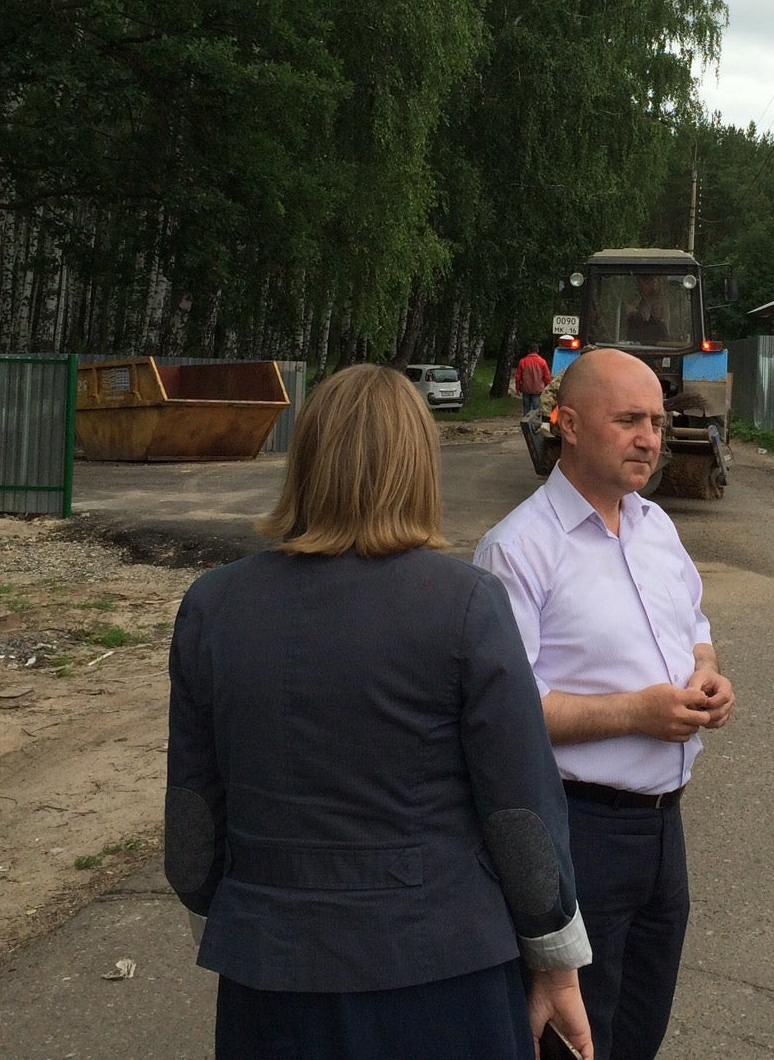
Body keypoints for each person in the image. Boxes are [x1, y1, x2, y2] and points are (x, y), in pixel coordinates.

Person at [165, 364, 594, 1060]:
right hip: (440, 973)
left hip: (271, 980)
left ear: (304, 461)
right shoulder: (465, 603)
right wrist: (556, 958)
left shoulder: (213, 605)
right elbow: (521, 811)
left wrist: (243, 924)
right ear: (417, 466)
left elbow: (191, 818)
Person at [474, 348, 734, 1060]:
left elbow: (697, 632)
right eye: (628, 420)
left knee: (640, 1032)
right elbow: (505, 720)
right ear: (570, 425)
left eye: (656, 420)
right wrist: (635, 714)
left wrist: (708, 676)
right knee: (574, 1043)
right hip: (577, 831)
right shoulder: (517, 551)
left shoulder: (655, 527)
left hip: (661, 833)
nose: (650, 437)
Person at [515, 346, 552, 418]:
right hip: (538, 389)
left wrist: (517, 388)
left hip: (526, 388)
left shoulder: (523, 361)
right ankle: (535, 424)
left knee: (526, 408)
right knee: (536, 408)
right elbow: (547, 377)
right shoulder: (542, 362)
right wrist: (548, 387)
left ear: (529, 350)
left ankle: (526, 424)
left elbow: (518, 376)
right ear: (537, 350)